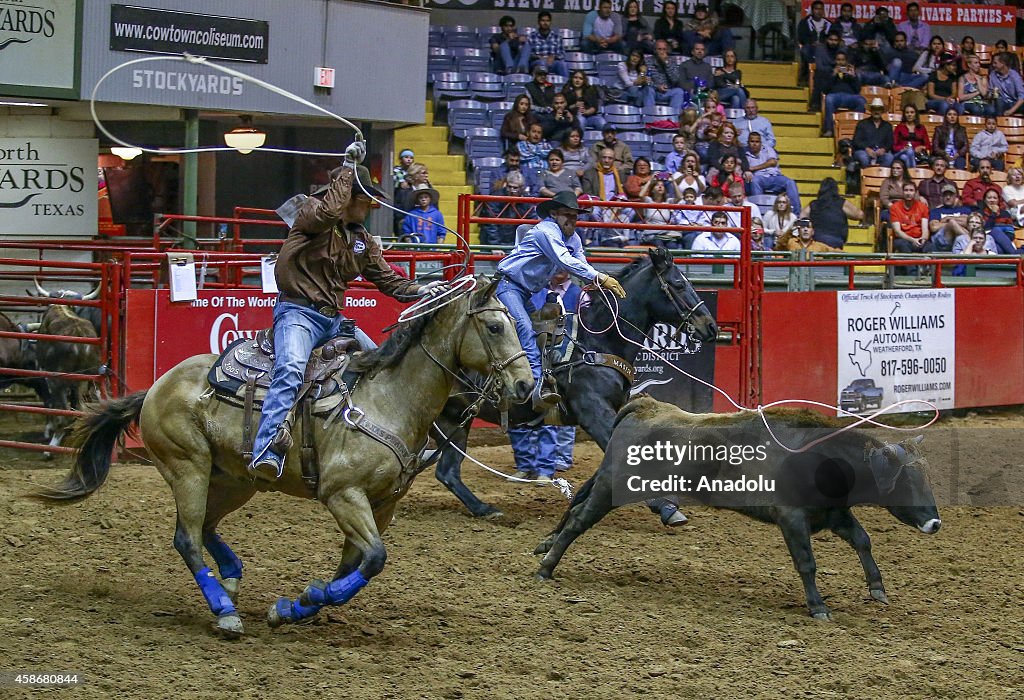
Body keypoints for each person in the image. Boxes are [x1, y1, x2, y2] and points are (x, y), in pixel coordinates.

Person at [249, 160, 437, 477]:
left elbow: (389, 281)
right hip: (298, 313)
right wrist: (349, 170)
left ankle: (404, 444)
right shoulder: (312, 213)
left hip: (333, 320)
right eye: (366, 197)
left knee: (381, 363)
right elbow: (327, 214)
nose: (372, 204)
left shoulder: (362, 240)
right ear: (349, 195)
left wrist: (424, 289)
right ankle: (266, 449)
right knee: (291, 369)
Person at [495, 190, 626, 410]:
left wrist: (593, 279)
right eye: (568, 215)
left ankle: (531, 377)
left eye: (575, 216)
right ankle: (537, 386)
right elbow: (564, 260)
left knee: (541, 331)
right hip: (508, 286)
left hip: (523, 291)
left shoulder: (572, 237)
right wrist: (600, 277)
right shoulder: (545, 231)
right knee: (526, 330)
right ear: (554, 214)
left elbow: (579, 259)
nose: (572, 220)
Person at [508, 270, 582, 482]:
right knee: (518, 410)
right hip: (528, 357)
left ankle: (546, 467)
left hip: (559, 362)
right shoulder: (530, 292)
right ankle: (526, 464)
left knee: (549, 414)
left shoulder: (579, 295)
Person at [745, 133, 801, 211]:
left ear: (761, 143)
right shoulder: (745, 153)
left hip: (775, 176)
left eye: (757, 142)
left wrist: (754, 168)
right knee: (755, 181)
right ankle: (759, 212)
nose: (754, 144)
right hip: (760, 178)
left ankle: (796, 214)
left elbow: (772, 162)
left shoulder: (767, 149)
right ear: (748, 142)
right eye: (752, 141)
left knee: (790, 182)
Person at [802, 177, 862, 249]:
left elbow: (802, 216)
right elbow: (860, 215)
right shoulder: (841, 203)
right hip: (836, 241)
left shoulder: (813, 204)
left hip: (817, 241)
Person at [481, 171, 535, 247]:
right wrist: (494, 245)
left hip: (516, 242)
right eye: (509, 187)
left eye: (515, 188)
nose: (512, 190)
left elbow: (531, 222)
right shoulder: (495, 198)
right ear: (505, 185)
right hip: (494, 241)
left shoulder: (527, 200)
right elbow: (491, 224)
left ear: (522, 188)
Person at [820, 49, 864, 138]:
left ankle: (856, 130)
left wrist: (853, 77)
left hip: (850, 97)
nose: (840, 62)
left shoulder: (851, 72)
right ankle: (829, 130)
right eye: (838, 60)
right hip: (835, 96)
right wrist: (833, 75)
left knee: (861, 101)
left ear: (846, 61)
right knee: (829, 99)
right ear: (835, 61)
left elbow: (858, 89)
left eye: (842, 60)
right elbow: (824, 89)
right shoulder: (829, 71)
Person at [890, 181, 932, 254]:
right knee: (903, 245)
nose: (908, 193)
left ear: (915, 192)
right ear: (902, 192)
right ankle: (912, 265)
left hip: (919, 238)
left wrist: (923, 239)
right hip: (904, 239)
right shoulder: (895, 207)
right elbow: (897, 232)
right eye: (906, 190)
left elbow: (925, 229)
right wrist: (912, 240)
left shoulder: (923, 207)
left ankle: (924, 265)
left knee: (930, 246)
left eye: (911, 190)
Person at [927, 183, 972, 252]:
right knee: (952, 223)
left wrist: (948, 218)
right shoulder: (936, 211)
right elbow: (934, 227)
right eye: (945, 195)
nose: (948, 197)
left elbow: (968, 223)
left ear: (955, 197)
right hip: (941, 241)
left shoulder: (964, 210)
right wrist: (951, 224)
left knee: (953, 223)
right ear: (941, 197)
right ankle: (971, 243)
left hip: (958, 238)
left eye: (950, 195)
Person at [645, 40, 687, 112]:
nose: (662, 52)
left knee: (679, 91)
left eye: (664, 49)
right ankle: (650, 117)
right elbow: (646, 80)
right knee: (648, 89)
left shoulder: (671, 61)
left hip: (668, 91)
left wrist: (666, 63)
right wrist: (657, 86)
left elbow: (675, 79)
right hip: (654, 91)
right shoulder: (647, 61)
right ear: (655, 50)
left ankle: (673, 119)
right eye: (659, 49)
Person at [852, 97, 894, 168]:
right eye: (874, 109)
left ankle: (879, 177)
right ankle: (866, 177)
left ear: (882, 111)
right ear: (871, 110)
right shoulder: (862, 124)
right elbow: (856, 141)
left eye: (879, 109)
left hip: (881, 154)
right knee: (863, 157)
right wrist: (867, 149)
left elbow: (890, 142)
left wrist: (884, 149)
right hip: (864, 152)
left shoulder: (888, 126)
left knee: (889, 157)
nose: (876, 111)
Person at [797, 0, 830, 86]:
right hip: (810, 46)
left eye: (821, 9)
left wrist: (823, 43)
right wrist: (812, 42)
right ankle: (808, 76)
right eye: (816, 9)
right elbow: (801, 37)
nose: (818, 11)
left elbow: (833, 37)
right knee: (805, 50)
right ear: (812, 10)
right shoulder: (804, 22)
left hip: (825, 48)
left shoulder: (828, 23)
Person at [527, 11, 569, 79]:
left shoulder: (557, 37)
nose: (545, 23)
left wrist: (554, 57)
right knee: (542, 63)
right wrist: (540, 57)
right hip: (537, 63)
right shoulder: (531, 36)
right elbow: (528, 54)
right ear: (538, 22)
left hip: (553, 62)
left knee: (563, 64)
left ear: (550, 22)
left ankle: (566, 87)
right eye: (543, 20)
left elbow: (562, 54)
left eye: (547, 21)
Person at [988, 52, 1024, 117]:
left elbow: (1022, 96)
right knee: (998, 101)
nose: (993, 65)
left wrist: (1011, 110)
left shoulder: (1014, 75)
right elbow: (990, 93)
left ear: (1003, 63)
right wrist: (991, 94)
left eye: (995, 63)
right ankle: (999, 122)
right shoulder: (992, 75)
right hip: (1001, 102)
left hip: (1015, 102)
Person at [775, 218, 840, 253]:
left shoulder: (820, 246)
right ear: (798, 230)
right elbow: (778, 247)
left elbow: (836, 253)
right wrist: (790, 229)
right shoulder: (791, 242)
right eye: (803, 227)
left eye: (808, 227)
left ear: (813, 232)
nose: (805, 229)